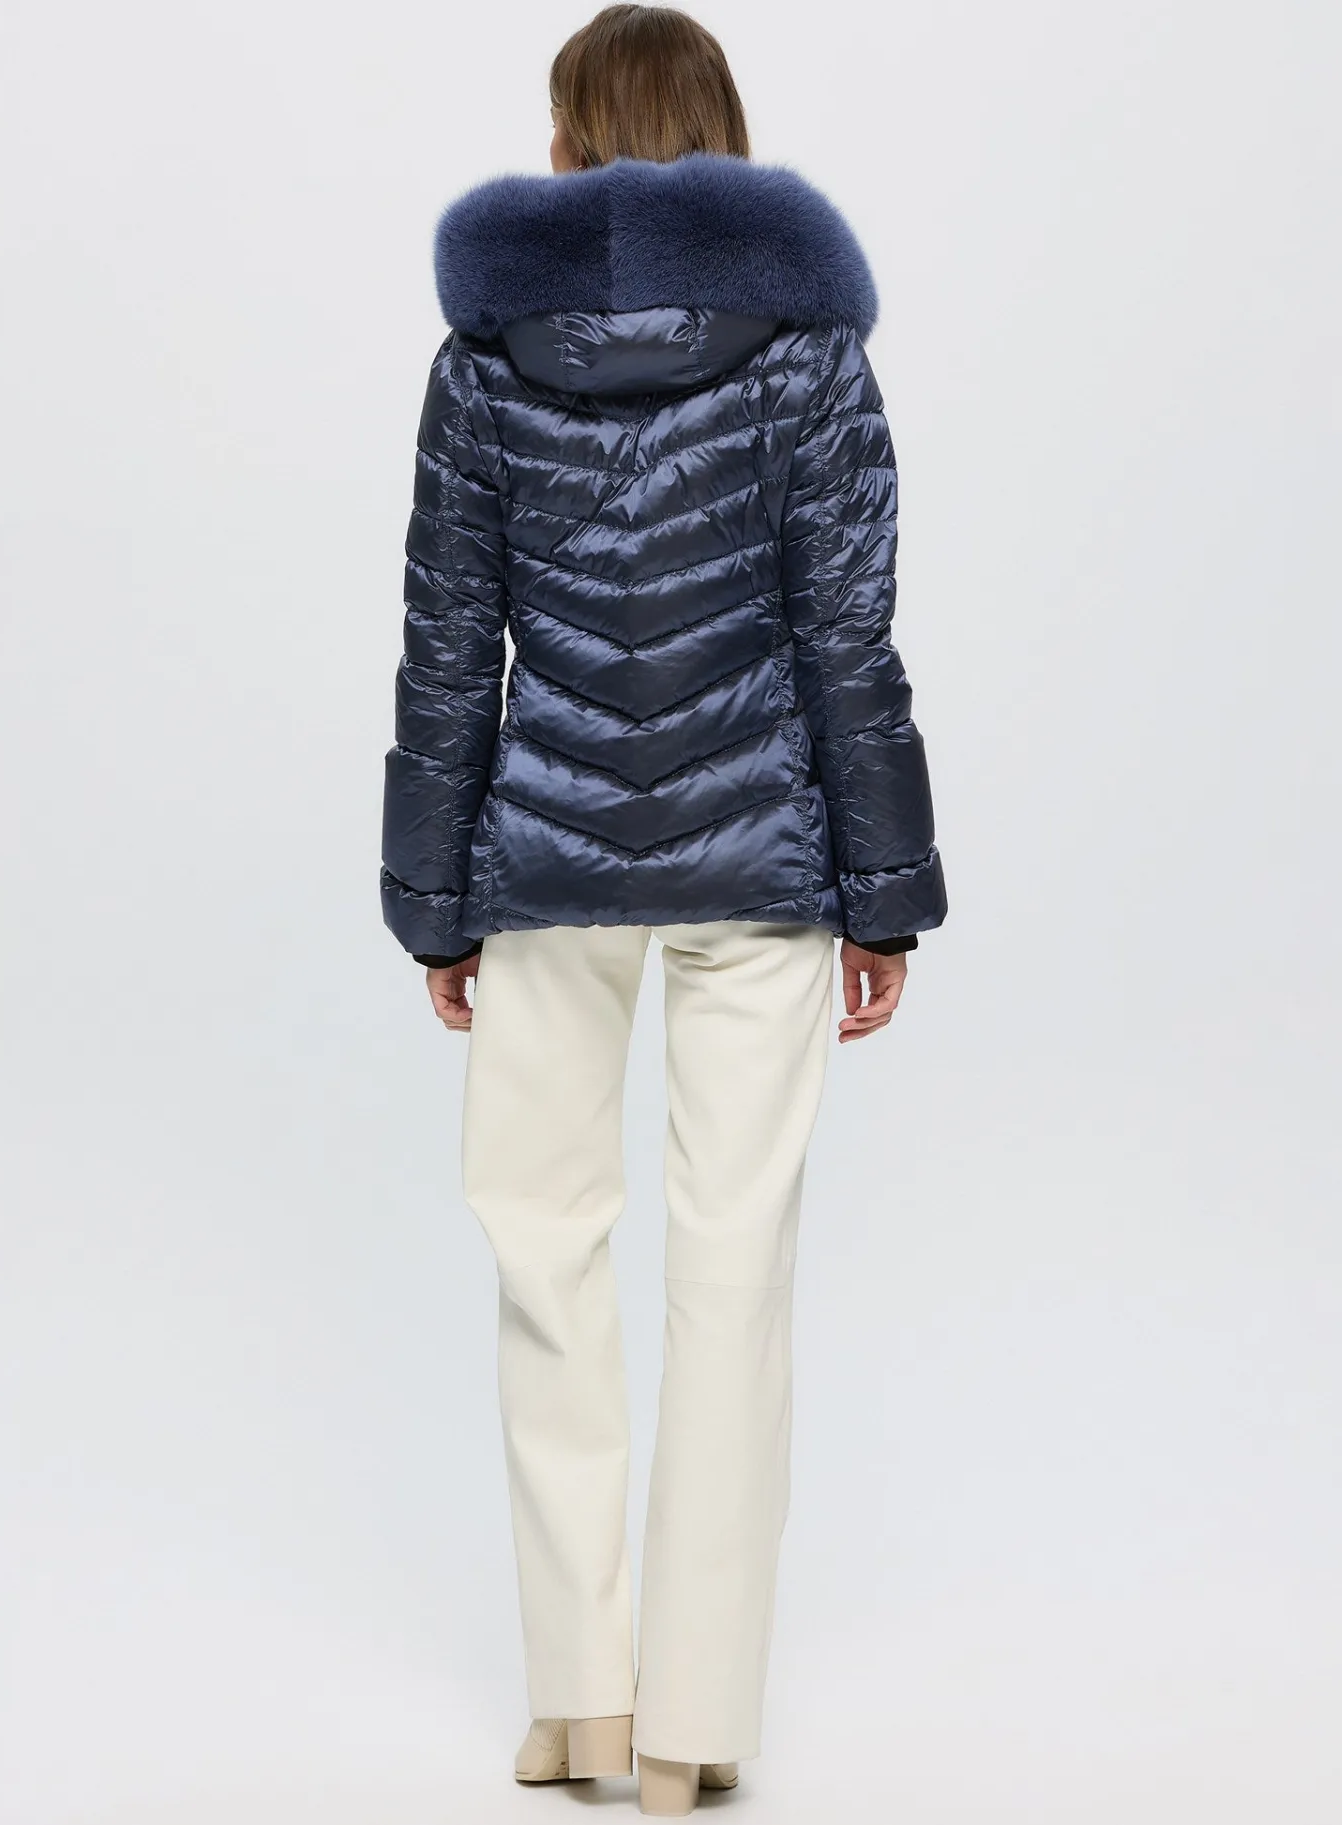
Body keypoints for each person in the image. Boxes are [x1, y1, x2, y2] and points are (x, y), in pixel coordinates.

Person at [380, 5, 946, 1813]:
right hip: (761, 871)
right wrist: (885, 900)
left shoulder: (482, 358)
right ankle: (695, 1729)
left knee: (546, 1259)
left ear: (569, 142)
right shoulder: (811, 352)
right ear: (724, 135)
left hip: (545, 874)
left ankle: (582, 1707)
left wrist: (436, 904)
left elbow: (447, 653)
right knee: (732, 1272)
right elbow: (847, 644)